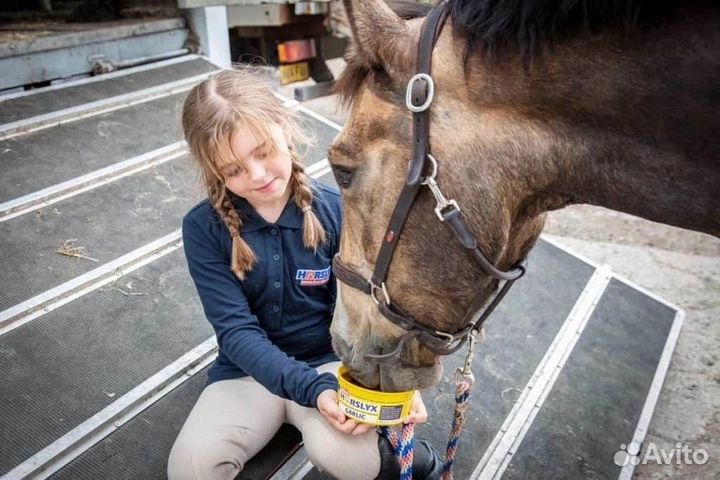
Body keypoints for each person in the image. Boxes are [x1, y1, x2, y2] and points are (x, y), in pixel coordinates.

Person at [167, 68, 443, 480]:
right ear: (213, 171)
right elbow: (235, 332)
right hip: (247, 373)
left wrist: (399, 389)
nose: (257, 176)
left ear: (285, 126)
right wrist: (307, 390)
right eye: (233, 170)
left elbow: (371, 310)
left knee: (356, 463)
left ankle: (422, 462)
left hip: (331, 368)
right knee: (190, 469)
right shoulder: (203, 228)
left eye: (262, 152)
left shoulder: (337, 208)